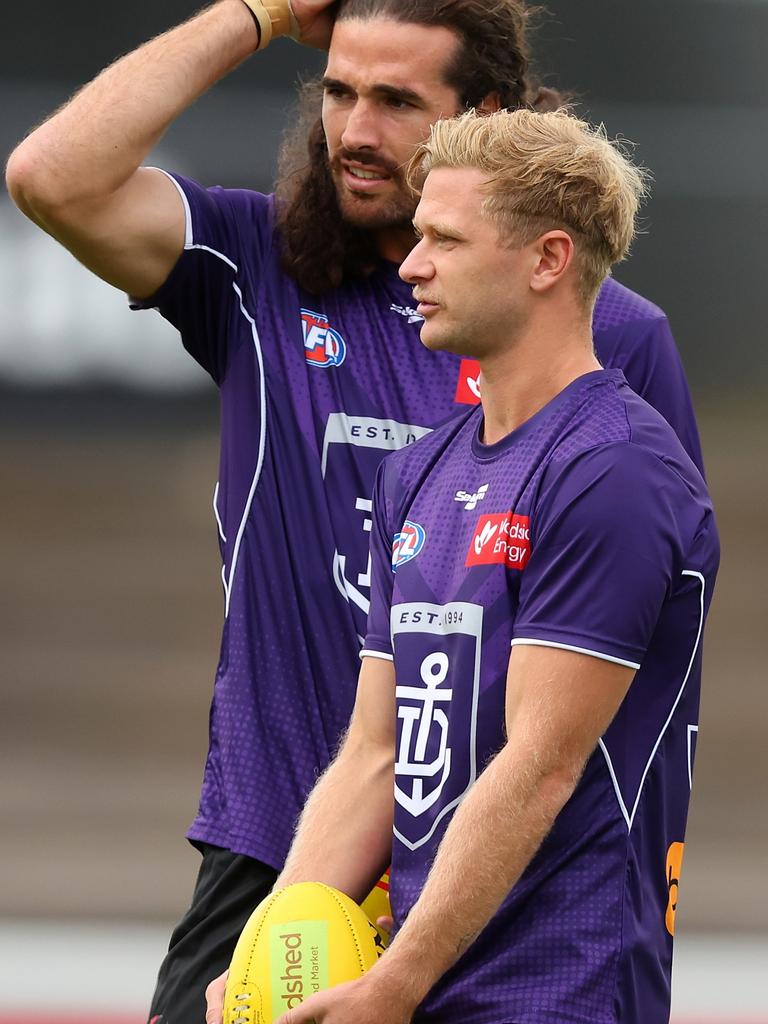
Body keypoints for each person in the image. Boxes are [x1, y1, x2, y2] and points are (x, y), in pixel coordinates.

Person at [5, 0, 705, 1018]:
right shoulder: (264, 266)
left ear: (485, 116)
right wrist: (256, 14)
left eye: (395, 99)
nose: (355, 130)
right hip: (287, 837)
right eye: (337, 91)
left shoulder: (618, 354)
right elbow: (49, 178)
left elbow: (622, 663)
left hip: (516, 885)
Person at [205, 108, 719, 1024]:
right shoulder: (418, 469)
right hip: (423, 985)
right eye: (415, 235)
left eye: (444, 238)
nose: (410, 265)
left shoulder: (616, 470)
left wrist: (395, 982)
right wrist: (263, 950)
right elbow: (374, 751)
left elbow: (540, 768)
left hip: (560, 993)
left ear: (548, 260)